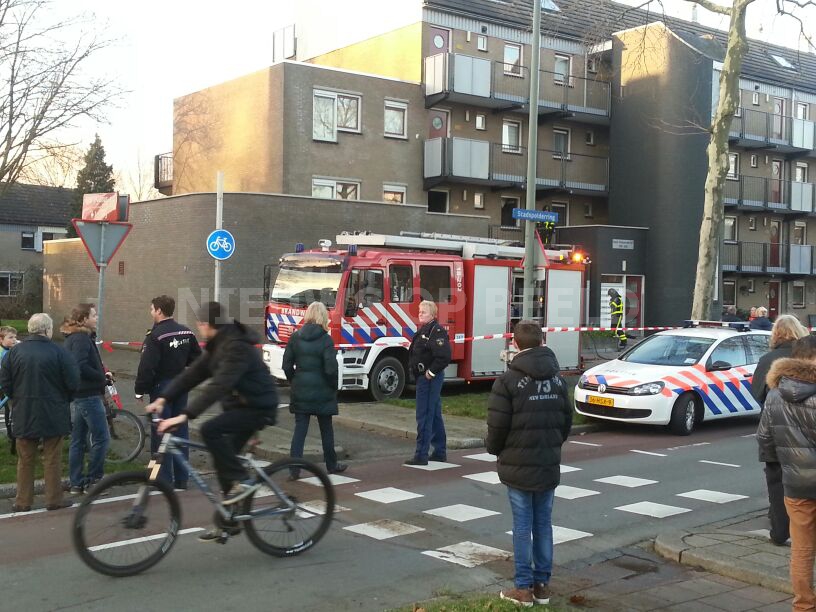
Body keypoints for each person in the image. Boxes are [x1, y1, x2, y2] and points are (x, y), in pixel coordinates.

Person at [145, 302, 278, 542]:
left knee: (209, 430)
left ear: (206, 324)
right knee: (223, 461)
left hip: (258, 407)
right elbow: (192, 375)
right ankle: (229, 520)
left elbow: (219, 386)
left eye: (200, 324)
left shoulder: (236, 347)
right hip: (241, 407)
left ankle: (243, 482)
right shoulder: (218, 345)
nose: (199, 328)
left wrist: (185, 415)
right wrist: (163, 399)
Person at [487, 320, 572, 607]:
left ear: (514, 344)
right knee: (544, 523)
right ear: (542, 342)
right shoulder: (558, 380)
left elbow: (497, 426)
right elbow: (566, 421)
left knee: (522, 526)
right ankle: (542, 586)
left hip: (518, 463)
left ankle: (523, 589)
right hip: (547, 462)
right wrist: (552, 444)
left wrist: (495, 449)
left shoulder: (507, 381)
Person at [757, 335, 816, 611]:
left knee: (802, 550)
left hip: (795, 485)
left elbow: (764, 439)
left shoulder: (775, 394)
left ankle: (804, 605)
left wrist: (782, 467)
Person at [0, 314, 79, 512]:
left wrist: (15, 399)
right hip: (53, 410)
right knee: (52, 457)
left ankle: (22, 501)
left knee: (25, 459)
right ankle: (53, 498)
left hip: (24, 411)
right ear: (47, 330)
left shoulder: (14, 352)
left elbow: (5, 382)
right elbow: (73, 382)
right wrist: (65, 399)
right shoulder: (59, 352)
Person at [752, 314, 809, 546]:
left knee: (776, 481)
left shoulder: (767, 359)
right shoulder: (806, 356)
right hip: (806, 431)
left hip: (775, 429)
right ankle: (804, 528)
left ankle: (779, 530)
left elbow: (757, 392)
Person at [135, 295, 202, 489]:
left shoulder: (155, 336)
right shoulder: (186, 332)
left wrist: (140, 389)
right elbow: (197, 359)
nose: (150, 312)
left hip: (161, 389)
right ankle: (182, 478)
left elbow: (147, 367)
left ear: (159, 311)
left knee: (161, 433)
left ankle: (161, 479)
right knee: (180, 431)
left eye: (152, 309)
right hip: (181, 386)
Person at [283, 301, 347, 478]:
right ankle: (331, 465)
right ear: (323, 317)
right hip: (323, 391)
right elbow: (331, 369)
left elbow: (286, 365)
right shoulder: (326, 340)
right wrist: (333, 387)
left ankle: (294, 469)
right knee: (326, 429)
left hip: (301, 390)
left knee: (299, 431)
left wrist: (294, 381)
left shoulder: (295, 337)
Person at [63, 303, 110, 495]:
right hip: (88, 395)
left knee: (78, 440)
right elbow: (80, 365)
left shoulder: (74, 337)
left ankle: (76, 483)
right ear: (83, 319)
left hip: (79, 394)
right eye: (93, 315)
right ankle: (94, 480)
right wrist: (101, 377)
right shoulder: (81, 339)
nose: (97, 318)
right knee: (102, 437)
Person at [405, 300, 451, 466]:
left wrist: (430, 373)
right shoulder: (425, 329)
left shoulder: (436, 331)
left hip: (429, 379)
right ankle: (439, 451)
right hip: (423, 378)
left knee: (424, 415)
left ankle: (421, 455)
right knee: (435, 414)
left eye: (423, 312)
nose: (420, 314)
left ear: (432, 314)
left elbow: (444, 356)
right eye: (419, 311)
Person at [0, 325, 18, 455]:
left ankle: (12, 436)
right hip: (4, 386)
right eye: (10, 337)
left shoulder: (11, 350)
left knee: (9, 409)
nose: (14, 340)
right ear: (1, 339)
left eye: (15, 337)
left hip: (8, 385)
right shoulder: (3, 353)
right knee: (9, 409)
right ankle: (12, 435)